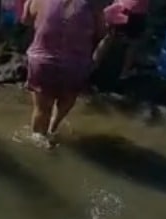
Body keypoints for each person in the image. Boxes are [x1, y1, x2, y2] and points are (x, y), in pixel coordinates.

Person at [21, 0, 104, 147]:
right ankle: (54, 126)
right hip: (75, 62)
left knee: (41, 109)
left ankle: (38, 139)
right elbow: (101, 31)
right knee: (67, 98)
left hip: (43, 60)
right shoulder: (93, 4)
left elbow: (26, 20)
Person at [94, 0, 166, 80]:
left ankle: (93, 65)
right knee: (134, 43)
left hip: (119, 6)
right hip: (136, 12)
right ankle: (125, 72)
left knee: (109, 37)